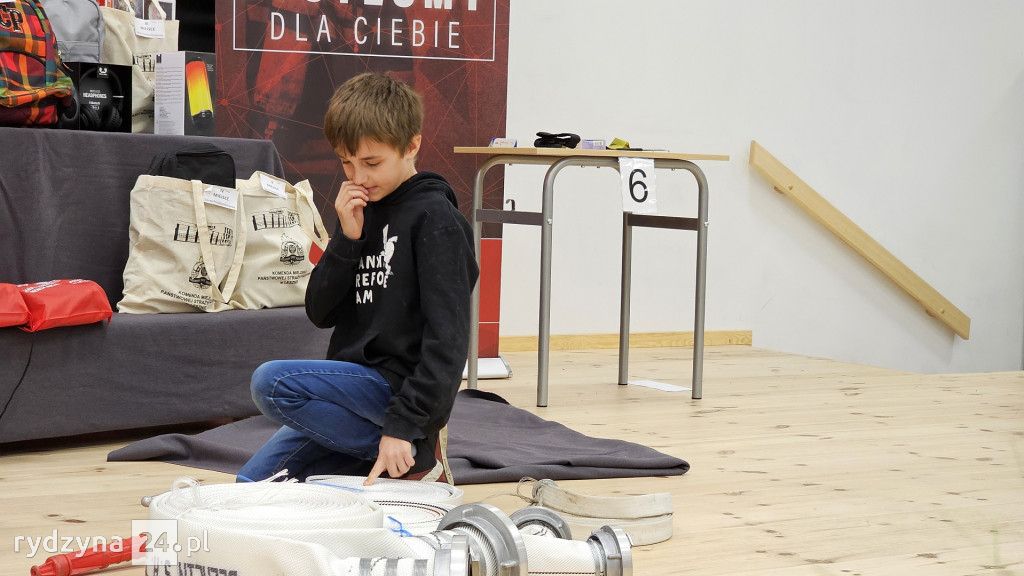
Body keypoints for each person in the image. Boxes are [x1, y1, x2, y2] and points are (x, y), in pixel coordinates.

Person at [237, 72, 478, 485]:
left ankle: (413, 453)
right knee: (250, 489)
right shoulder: (359, 208)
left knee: (271, 383)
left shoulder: (437, 221)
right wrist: (347, 241)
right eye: (347, 163)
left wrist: (404, 425)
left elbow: (449, 342)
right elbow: (320, 311)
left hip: (395, 390)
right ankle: (388, 458)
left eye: (372, 163)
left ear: (412, 145)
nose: (358, 176)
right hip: (351, 392)